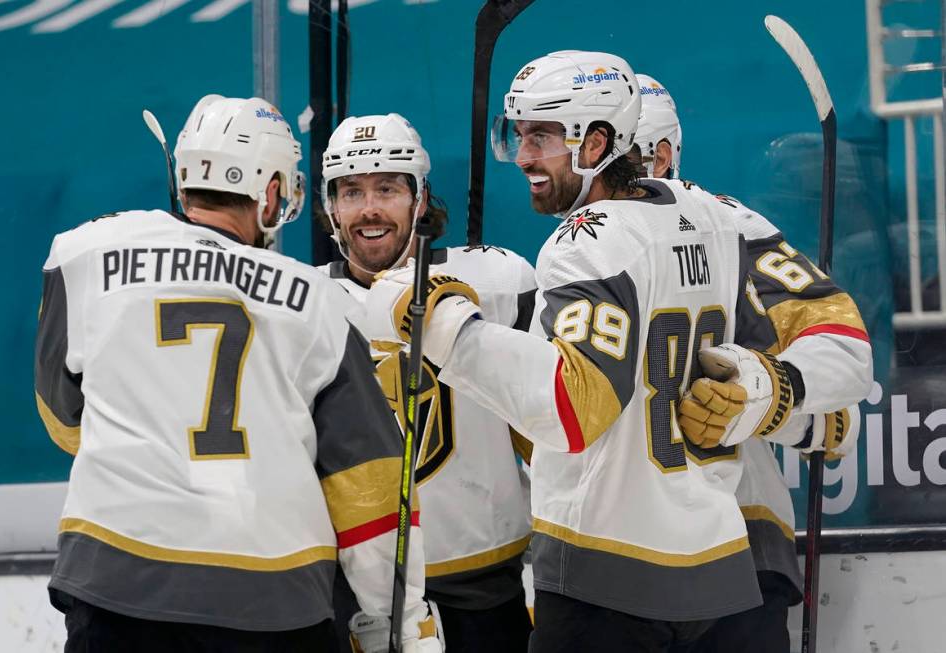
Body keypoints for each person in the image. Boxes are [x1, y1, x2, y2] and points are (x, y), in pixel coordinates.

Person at [365, 50, 873, 651]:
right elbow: (846, 350)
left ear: (597, 141)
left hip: (600, 583)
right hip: (720, 574)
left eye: (542, 136)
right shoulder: (723, 218)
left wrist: (443, 322)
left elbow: (572, 408)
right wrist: (771, 391)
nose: (523, 156)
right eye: (518, 135)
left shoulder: (583, 242)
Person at [34, 95, 440, 652]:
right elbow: (368, 487)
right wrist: (399, 621)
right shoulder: (316, 301)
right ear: (272, 190)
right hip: (270, 598)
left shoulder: (84, 255)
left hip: (115, 584)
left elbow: (64, 421)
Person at [631, 73, 869, 653]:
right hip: (608, 561)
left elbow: (843, 354)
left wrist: (767, 396)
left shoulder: (727, 227)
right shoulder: (574, 246)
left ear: (662, 154)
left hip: (735, 544)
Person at [316, 112, 535, 652]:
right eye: (352, 191)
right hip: (352, 591)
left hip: (482, 582)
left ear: (420, 199)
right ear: (330, 206)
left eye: (388, 188)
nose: (369, 208)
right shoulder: (303, 303)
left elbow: (551, 420)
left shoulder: (501, 284)